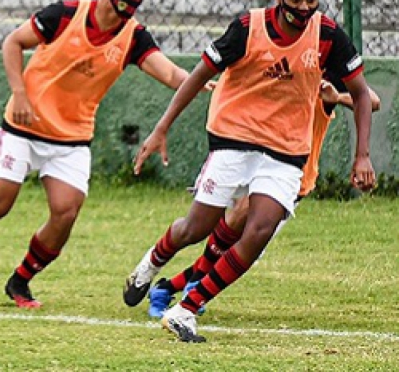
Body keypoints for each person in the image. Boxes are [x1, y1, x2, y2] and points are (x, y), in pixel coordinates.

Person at [0, 0, 204, 308]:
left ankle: (20, 282)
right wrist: (20, 93)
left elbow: (171, 74)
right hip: (23, 127)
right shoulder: (65, 15)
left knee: (66, 211)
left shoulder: (134, 37)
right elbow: (13, 42)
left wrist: (207, 81)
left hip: (71, 138)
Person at [124, 0, 375, 343]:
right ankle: (149, 266)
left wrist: (362, 155)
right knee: (197, 228)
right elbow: (198, 75)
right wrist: (161, 128)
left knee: (259, 229)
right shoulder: (247, 28)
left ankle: (185, 309)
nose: (304, 7)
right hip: (234, 138)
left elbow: (362, 94)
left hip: (287, 150)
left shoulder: (327, 35)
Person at [146, 78, 381, 318]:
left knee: (245, 250)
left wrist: (335, 97)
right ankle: (188, 294)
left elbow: (372, 100)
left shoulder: (328, 73)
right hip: (265, 168)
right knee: (233, 231)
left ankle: (169, 288)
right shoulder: (282, 66)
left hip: (296, 179)